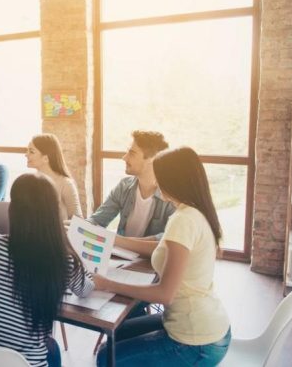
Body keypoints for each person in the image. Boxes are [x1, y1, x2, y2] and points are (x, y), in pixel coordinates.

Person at [94, 147, 231, 366]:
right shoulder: (193, 211)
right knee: (115, 335)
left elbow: (164, 294)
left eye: (160, 177)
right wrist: (112, 240)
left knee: (105, 358)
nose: (157, 183)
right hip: (202, 326)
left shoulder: (183, 220)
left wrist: (108, 284)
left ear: (174, 181)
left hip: (196, 341)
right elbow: (160, 247)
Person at [0, 173, 94, 367]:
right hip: (28, 363)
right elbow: (86, 289)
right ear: (53, 214)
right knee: (52, 348)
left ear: (13, 209)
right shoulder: (62, 258)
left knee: (52, 347)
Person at [89, 130, 174, 239]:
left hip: (145, 252)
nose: (124, 158)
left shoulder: (171, 196)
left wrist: (123, 242)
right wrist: (76, 226)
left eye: (132, 153)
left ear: (152, 159)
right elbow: (98, 220)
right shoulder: (123, 186)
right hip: (120, 250)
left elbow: (169, 237)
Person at [25, 133, 82, 220]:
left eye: (31, 152)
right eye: (27, 151)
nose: (26, 154)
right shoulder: (29, 182)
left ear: (46, 158)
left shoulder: (66, 184)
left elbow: (78, 221)